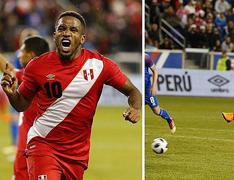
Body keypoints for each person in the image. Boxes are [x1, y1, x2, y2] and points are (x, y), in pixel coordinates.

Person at [1, 11, 141, 179]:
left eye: (73, 30)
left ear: (82, 38)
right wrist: (11, 94)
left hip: (77, 154)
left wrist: (135, 106)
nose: (66, 32)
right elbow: (22, 103)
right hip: (43, 144)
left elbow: (133, 91)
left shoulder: (100, 66)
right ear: (55, 36)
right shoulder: (37, 66)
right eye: (62, 28)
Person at [0, 36, 50, 179]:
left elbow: (9, 69)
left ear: (31, 55)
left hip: (30, 144)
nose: (19, 55)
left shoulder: (31, 75)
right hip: (47, 146)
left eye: (22, 51)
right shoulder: (54, 76)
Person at [145, 54, 176, 134]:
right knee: (135, 107)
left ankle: (169, 119)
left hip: (148, 91)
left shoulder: (146, 57)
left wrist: (154, 85)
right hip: (139, 91)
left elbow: (155, 71)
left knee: (156, 111)